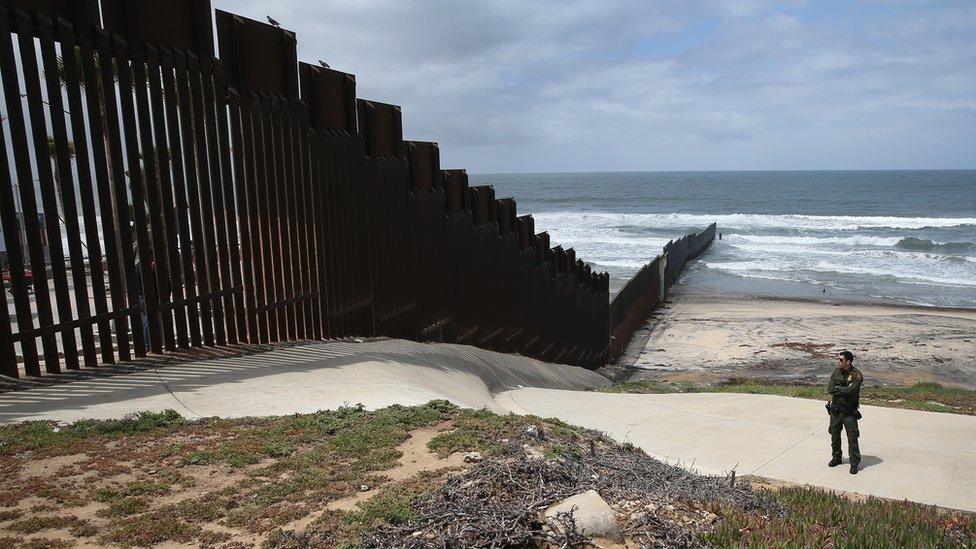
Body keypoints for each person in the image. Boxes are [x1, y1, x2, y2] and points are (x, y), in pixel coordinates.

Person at [826, 350, 862, 474]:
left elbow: (851, 391)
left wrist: (839, 389)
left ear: (848, 361)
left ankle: (854, 463)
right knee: (834, 435)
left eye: (840, 360)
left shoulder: (857, 375)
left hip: (849, 412)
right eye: (838, 359)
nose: (838, 361)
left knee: (852, 437)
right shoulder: (836, 373)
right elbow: (830, 389)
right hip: (835, 411)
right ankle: (836, 457)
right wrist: (843, 389)